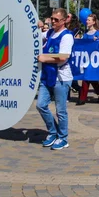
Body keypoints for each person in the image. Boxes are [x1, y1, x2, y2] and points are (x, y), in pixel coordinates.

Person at [37, 8, 74, 150]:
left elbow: (63, 57)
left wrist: (44, 58)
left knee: (61, 110)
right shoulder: (50, 32)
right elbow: (38, 37)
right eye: (52, 18)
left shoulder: (67, 36)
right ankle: (53, 132)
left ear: (64, 21)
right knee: (40, 105)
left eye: (56, 19)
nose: (53, 21)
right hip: (47, 75)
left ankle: (63, 138)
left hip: (61, 77)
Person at [77, 14, 99, 105]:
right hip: (86, 58)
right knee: (91, 78)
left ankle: (82, 98)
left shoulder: (98, 32)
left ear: (93, 22)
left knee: (86, 77)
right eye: (87, 20)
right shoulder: (85, 34)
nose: (87, 22)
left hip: (95, 59)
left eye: (89, 20)